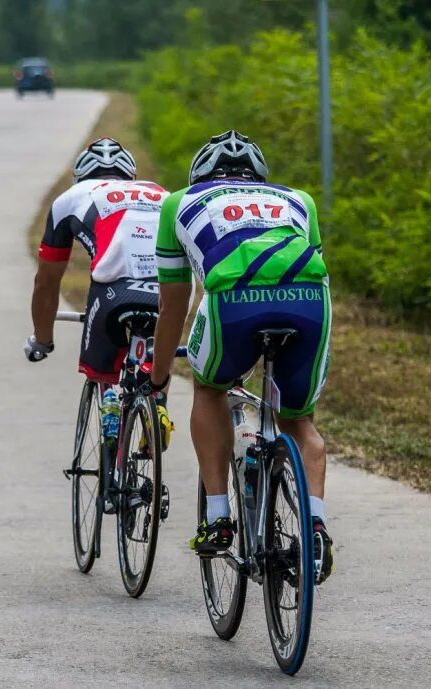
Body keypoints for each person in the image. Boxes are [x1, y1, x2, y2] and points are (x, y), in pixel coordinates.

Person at [148, 130, 334, 583]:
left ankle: (218, 517)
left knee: (209, 388)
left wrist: (157, 380)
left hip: (233, 300)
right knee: (299, 421)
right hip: (310, 301)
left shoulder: (178, 201)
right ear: (260, 176)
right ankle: (315, 529)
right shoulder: (300, 200)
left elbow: (172, 306)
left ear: (200, 174)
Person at [24, 137, 174, 449]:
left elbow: (47, 282)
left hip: (113, 294)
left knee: (103, 366)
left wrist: (43, 340)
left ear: (80, 177)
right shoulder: (163, 194)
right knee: (158, 355)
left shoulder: (70, 198)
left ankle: (109, 400)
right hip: (167, 292)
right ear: (131, 176)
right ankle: (157, 407)